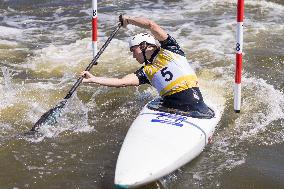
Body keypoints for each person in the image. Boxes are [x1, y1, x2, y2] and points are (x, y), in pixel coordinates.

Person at [80, 15, 214, 118]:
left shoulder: (171, 49)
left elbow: (151, 25)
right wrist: (94, 79)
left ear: (143, 46)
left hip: (196, 107)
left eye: (133, 50)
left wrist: (128, 20)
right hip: (169, 107)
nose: (133, 56)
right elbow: (121, 82)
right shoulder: (146, 72)